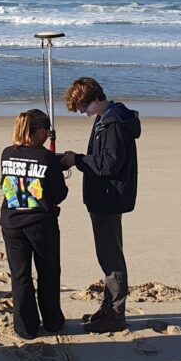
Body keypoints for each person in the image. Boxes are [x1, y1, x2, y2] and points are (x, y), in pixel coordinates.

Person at [62, 77, 141, 334]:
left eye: (83, 108)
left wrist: (78, 160)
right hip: (103, 197)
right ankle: (109, 308)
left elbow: (108, 164)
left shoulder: (114, 122)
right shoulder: (105, 118)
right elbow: (102, 159)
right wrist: (81, 159)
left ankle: (116, 315)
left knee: (110, 257)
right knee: (106, 255)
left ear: (95, 99)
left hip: (109, 198)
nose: (82, 113)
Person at [0, 109, 68, 339]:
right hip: (40, 224)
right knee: (48, 272)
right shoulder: (46, 158)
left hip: (12, 221)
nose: (48, 136)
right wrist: (56, 168)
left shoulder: (7, 153)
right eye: (46, 132)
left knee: (20, 275)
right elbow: (58, 194)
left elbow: (7, 182)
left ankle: (25, 326)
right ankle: (52, 321)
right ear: (39, 131)